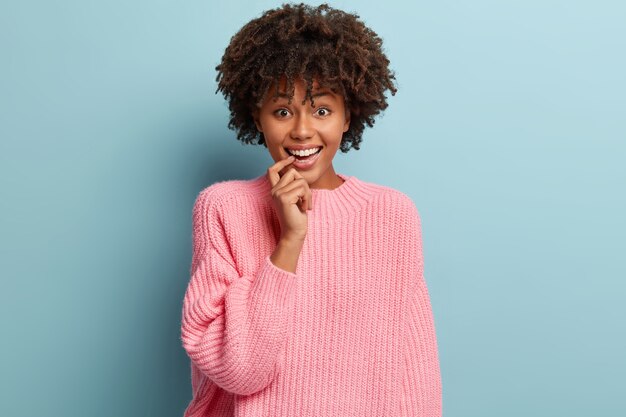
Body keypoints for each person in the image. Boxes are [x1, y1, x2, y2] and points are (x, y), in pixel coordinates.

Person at [180, 3, 442, 416]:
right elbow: (240, 371)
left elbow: (413, 371)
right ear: (258, 116)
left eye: (321, 110)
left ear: (347, 115)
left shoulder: (393, 215)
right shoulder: (223, 209)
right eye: (282, 111)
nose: (302, 130)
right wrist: (290, 238)